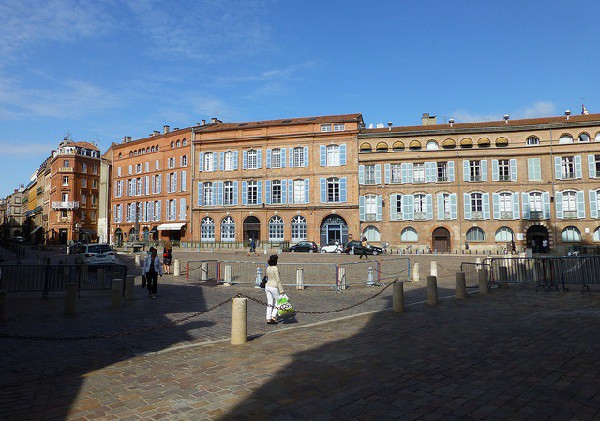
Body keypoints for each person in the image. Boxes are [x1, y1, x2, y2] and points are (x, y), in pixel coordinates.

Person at [265, 254, 284, 325]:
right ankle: (273, 316)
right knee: (279, 301)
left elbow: (266, 276)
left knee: (269, 303)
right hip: (273, 286)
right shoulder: (275, 268)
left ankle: (268, 318)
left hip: (267, 286)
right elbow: (278, 280)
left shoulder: (268, 268)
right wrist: (281, 290)